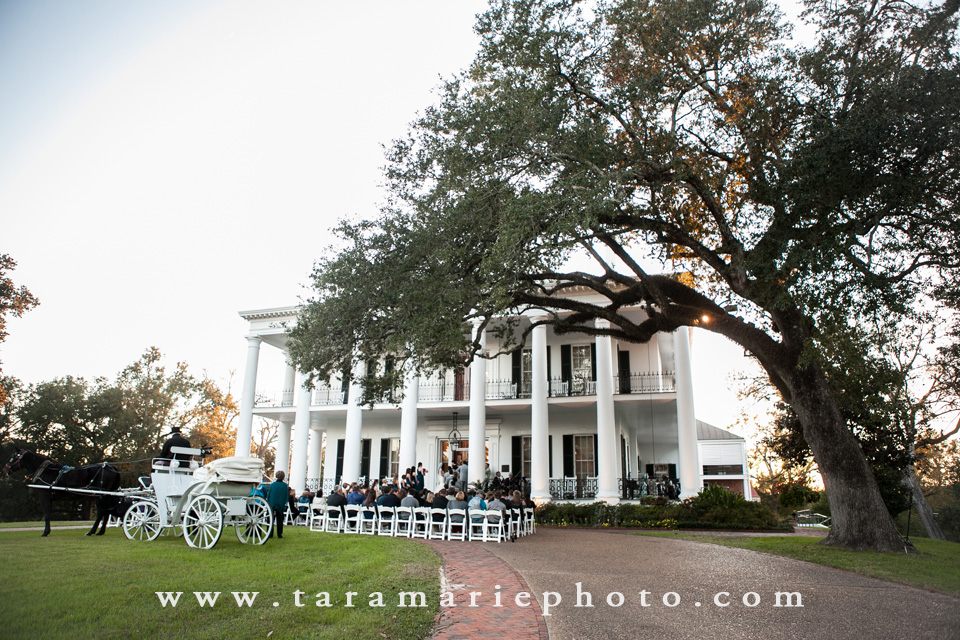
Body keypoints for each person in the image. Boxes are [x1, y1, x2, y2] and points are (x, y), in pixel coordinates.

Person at [266, 470, 289, 539]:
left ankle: (270, 533)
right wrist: (285, 503)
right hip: (280, 503)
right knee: (280, 520)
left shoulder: (272, 485)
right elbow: (286, 496)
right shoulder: (285, 486)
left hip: (272, 503)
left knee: (270, 519)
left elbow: (269, 494)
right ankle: (279, 534)